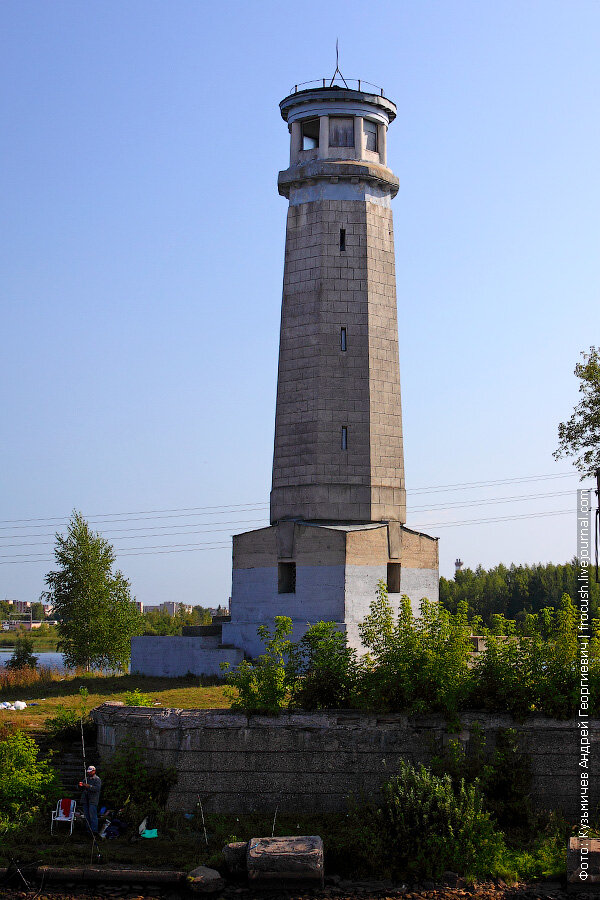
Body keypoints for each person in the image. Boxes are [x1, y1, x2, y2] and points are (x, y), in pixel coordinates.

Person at [79, 765, 102, 834]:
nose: (89, 773)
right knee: (87, 816)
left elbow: (97, 789)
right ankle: (88, 830)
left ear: (94, 771)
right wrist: (80, 785)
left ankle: (94, 831)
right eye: (88, 772)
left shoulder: (97, 779)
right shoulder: (86, 779)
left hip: (93, 800)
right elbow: (80, 788)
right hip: (85, 800)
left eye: (90, 772)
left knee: (93, 816)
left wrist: (88, 786)